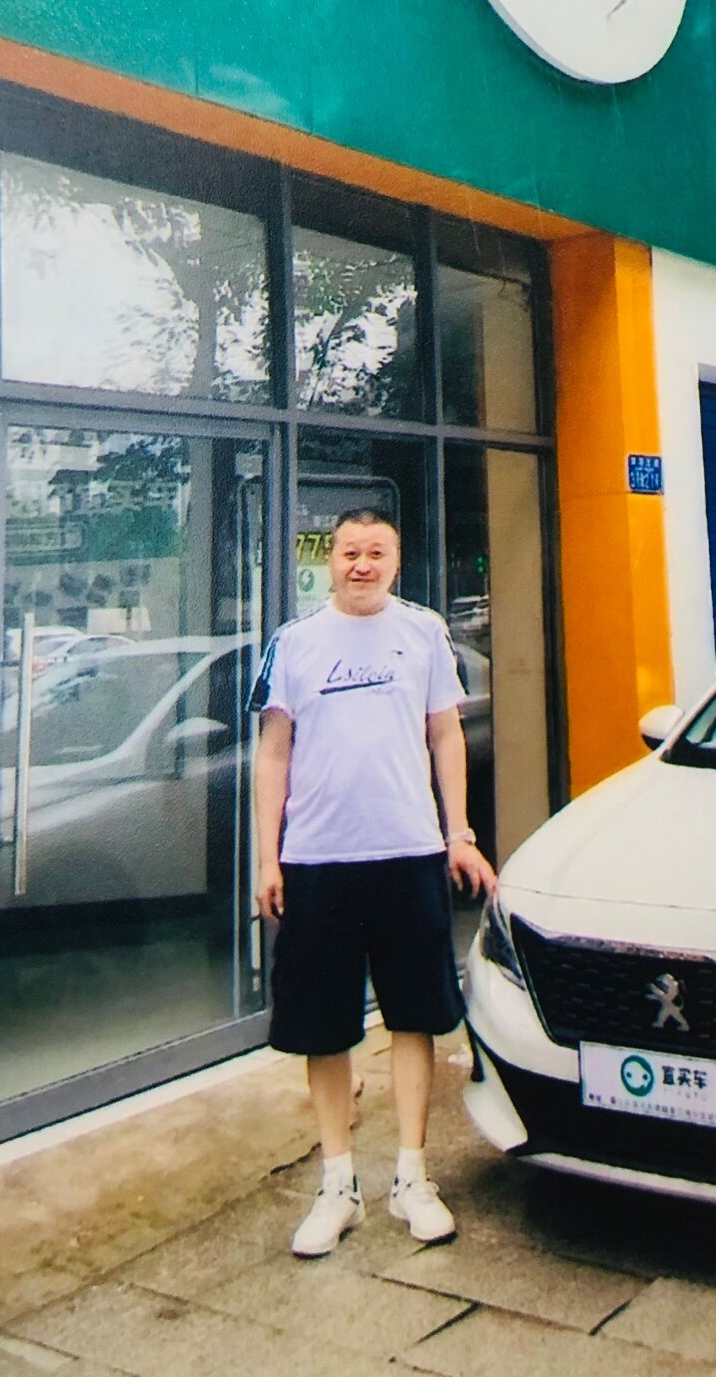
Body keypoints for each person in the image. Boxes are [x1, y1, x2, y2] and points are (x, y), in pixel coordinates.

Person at [250, 507, 496, 1259]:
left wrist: (459, 834)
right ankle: (338, 1186)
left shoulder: (423, 633)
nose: (362, 564)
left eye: (376, 552)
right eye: (350, 552)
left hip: (408, 853)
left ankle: (412, 1178)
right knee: (322, 1027)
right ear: (330, 560)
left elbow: (445, 733)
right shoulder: (294, 642)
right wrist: (268, 858)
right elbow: (273, 753)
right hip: (317, 861)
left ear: (397, 560)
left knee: (415, 1018)